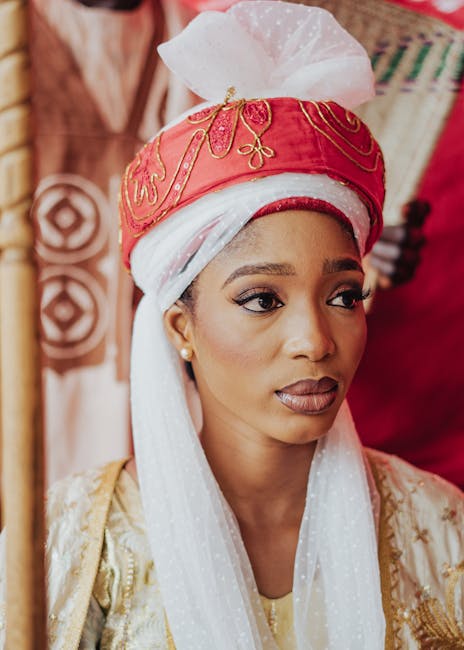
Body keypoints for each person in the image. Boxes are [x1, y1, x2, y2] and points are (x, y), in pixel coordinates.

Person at [1, 2, 463, 648]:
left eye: (343, 295)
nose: (315, 341)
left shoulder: (441, 533)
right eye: (262, 300)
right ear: (180, 328)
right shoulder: (69, 548)